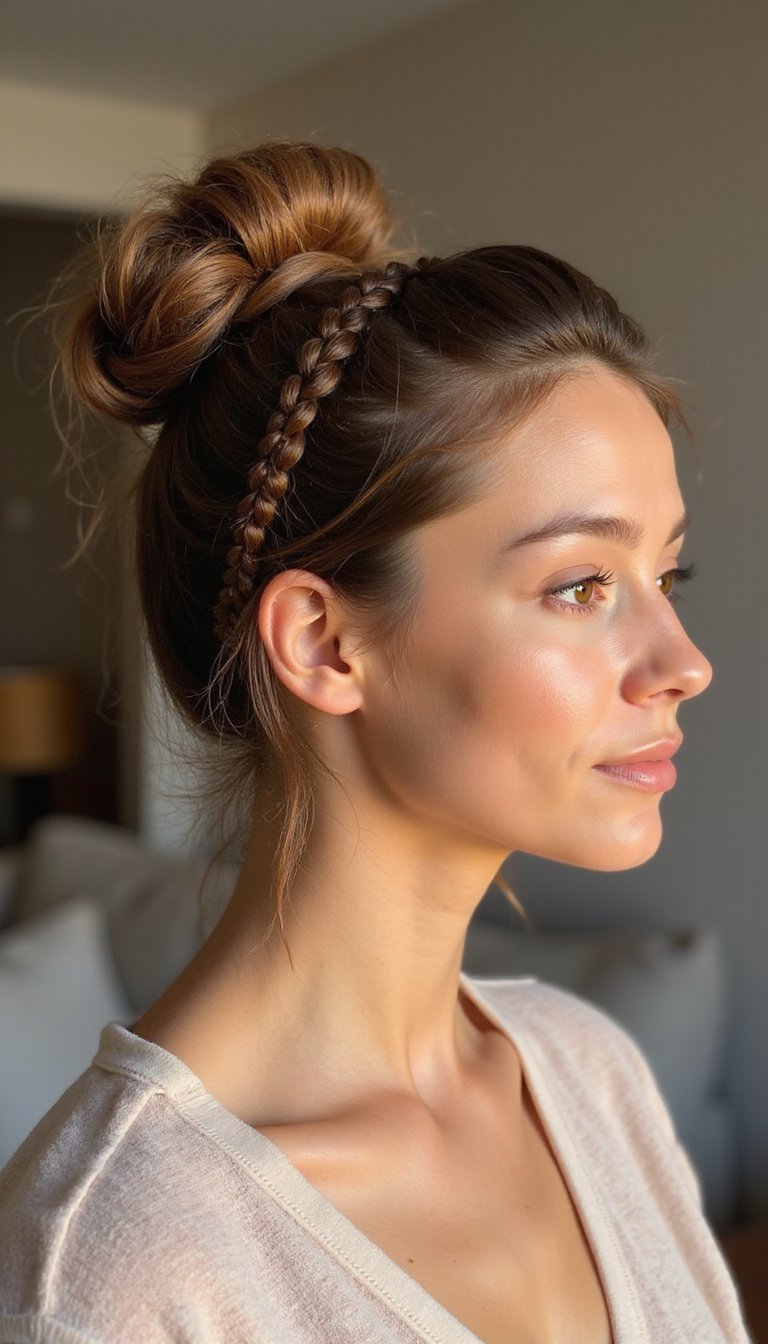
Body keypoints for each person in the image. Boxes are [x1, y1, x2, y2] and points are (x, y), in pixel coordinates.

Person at [0, 141, 750, 1344]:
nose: (685, 662)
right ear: (323, 644)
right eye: (578, 586)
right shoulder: (116, 1263)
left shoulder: (588, 1075)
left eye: (668, 573)